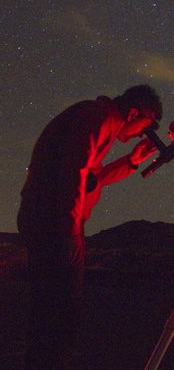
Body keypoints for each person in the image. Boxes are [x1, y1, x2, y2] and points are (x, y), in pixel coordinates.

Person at [17, 84, 162, 370]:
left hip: (53, 221)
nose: (142, 133)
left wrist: (132, 160)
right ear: (134, 112)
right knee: (58, 309)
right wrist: (70, 231)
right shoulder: (98, 117)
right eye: (146, 126)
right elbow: (74, 171)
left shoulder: (100, 119)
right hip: (54, 224)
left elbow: (92, 179)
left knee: (54, 308)